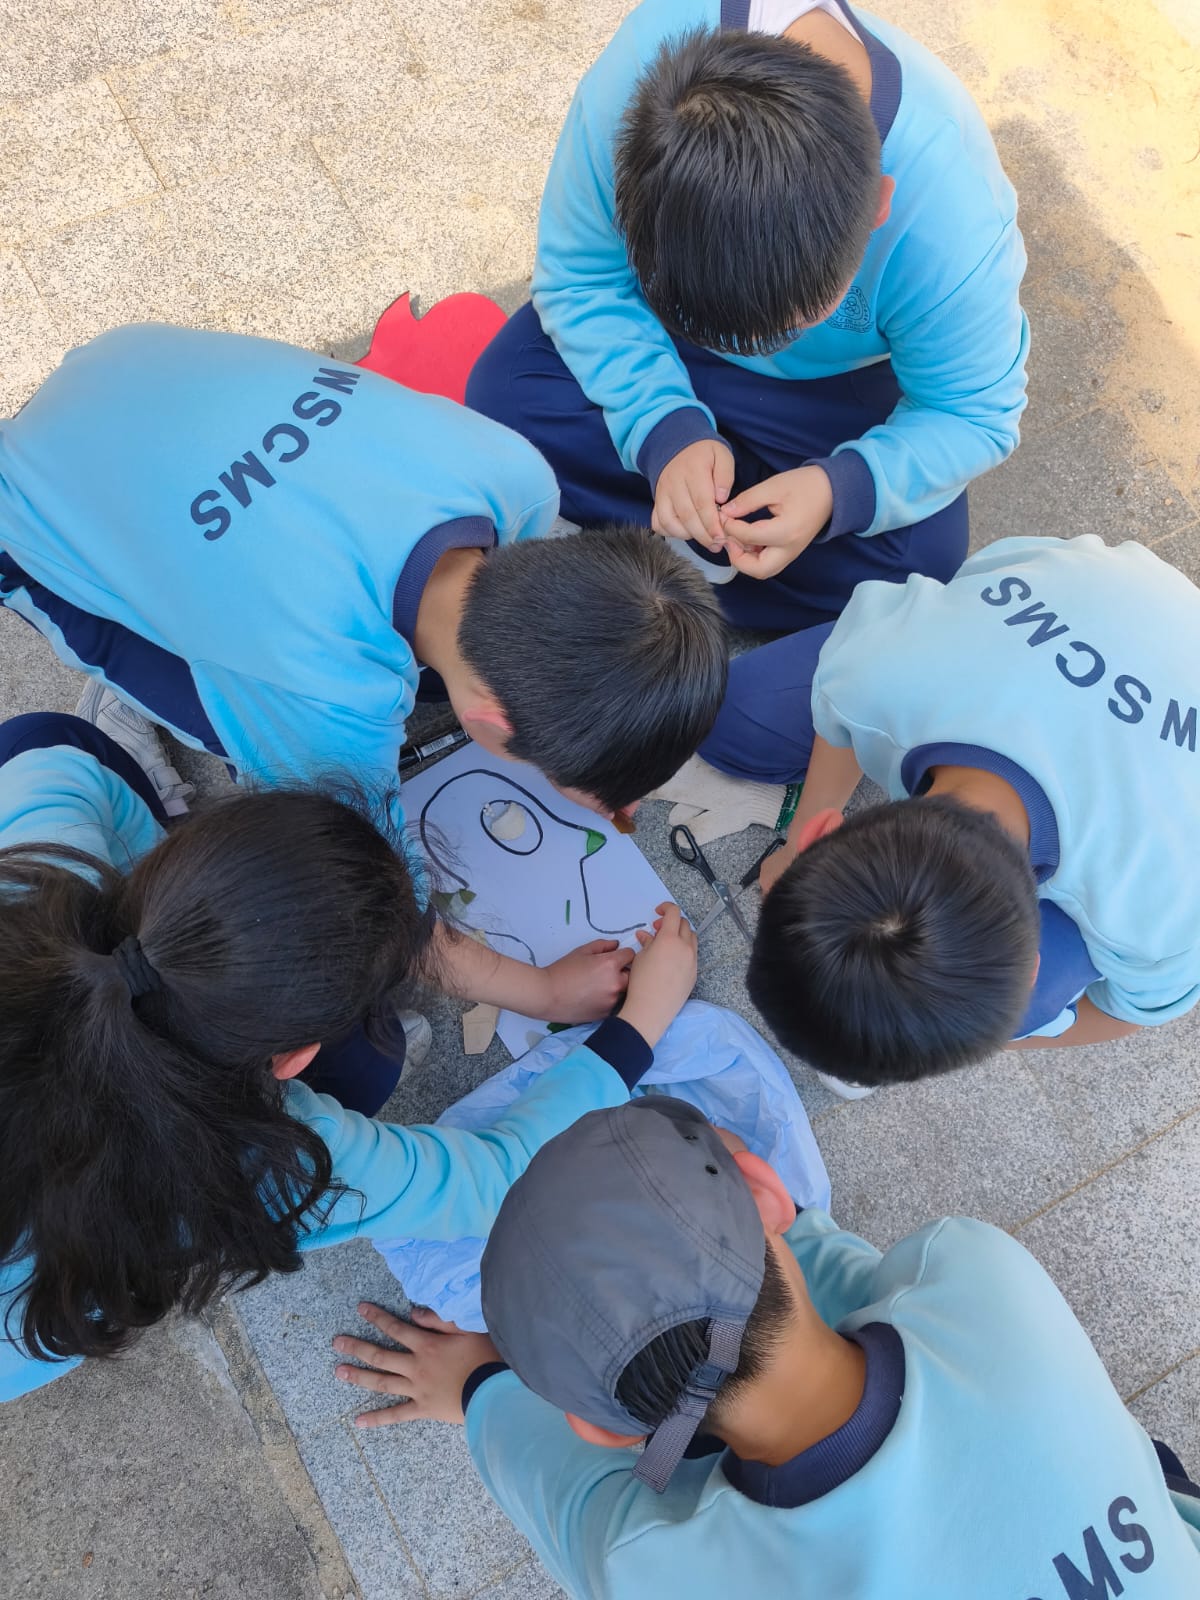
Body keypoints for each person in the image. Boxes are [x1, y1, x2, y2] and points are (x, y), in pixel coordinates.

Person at [0, 322, 728, 1029]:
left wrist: (587, 750)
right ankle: (123, 712)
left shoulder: (518, 477)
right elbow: (385, 910)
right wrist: (540, 991)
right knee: (204, 700)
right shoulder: (328, 705)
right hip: (30, 493)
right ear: (490, 722)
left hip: (133, 366)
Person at [0, 708, 700, 1402]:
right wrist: (637, 1028)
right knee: (370, 1060)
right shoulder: (269, 1165)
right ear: (291, 1061)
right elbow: (493, 1180)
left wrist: (194, 950)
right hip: (53, 1286)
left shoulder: (40, 849)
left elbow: (51, 758)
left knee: (38, 734)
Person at [328, 1099, 1200, 1599]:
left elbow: (565, 1493)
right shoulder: (978, 1272)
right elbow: (850, 1277)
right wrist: (762, 1220)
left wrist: (476, 1386)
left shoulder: (659, 1571)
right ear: (767, 1193)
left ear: (604, 1433)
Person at [466, 2, 1028, 632]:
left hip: (829, 394)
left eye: (791, 323)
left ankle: (670, 530)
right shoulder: (640, 86)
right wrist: (664, 425)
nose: (748, 351)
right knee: (504, 392)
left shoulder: (952, 221)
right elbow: (582, 276)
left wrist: (836, 489)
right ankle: (719, 545)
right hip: (664, 338)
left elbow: (973, 411)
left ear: (879, 207)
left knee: (920, 563)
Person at [683, 533, 1200, 1089]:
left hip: (1109, 597)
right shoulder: (879, 668)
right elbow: (843, 704)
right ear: (818, 830)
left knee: (1016, 1010)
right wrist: (791, 851)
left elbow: (1130, 1013)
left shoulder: (1164, 909)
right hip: (1081, 600)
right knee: (731, 727)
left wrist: (1002, 1030)